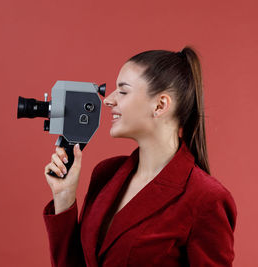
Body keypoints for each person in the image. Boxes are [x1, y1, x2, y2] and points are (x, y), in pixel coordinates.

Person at [43, 47, 237, 267]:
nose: (108, 101)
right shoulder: (106, 174)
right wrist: (64, 196)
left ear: (160, 105)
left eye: (123, 91)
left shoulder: (207, 198)